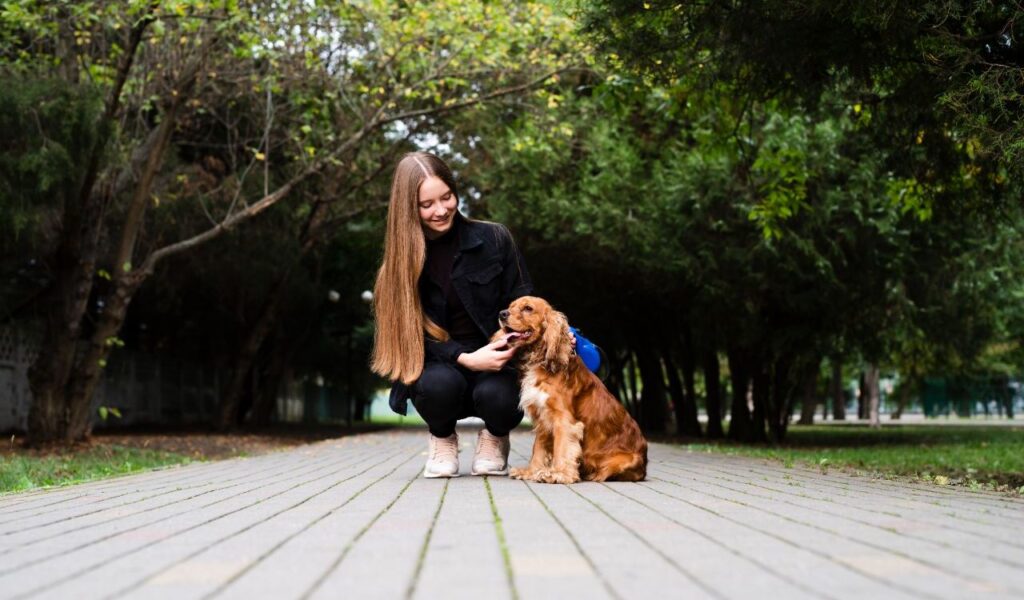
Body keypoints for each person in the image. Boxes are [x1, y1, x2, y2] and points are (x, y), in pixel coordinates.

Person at [370, 151, 533, 478]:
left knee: (500, 397)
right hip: (440, 365)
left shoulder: (495, 238)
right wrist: (465, 358)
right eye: (426, 204)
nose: (441, 210)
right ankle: (442, 437)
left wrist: (505, 344)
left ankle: (496, 437)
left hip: (498, 360)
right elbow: (405, 340)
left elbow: (522, 302)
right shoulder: (396, 270)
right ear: (407, 208)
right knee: (437, 386)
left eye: (447, 197)